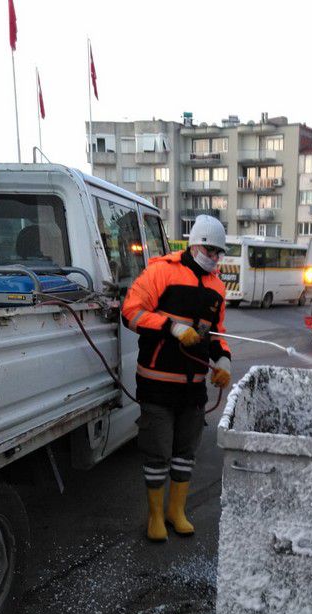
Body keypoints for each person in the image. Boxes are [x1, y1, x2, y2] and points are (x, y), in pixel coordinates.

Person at [121, 215, 231, 542]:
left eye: (218, 253)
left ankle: (176, 511)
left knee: (186, 452)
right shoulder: (161, 272)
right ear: (195, 245)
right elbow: (131, 311)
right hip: (156, 383)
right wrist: (171, 327)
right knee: (157, 453)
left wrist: (223, 358)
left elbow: (217, 333)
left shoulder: (217, 287)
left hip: (193, 387)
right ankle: (156, 515)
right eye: (209, 251)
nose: (213, 258)